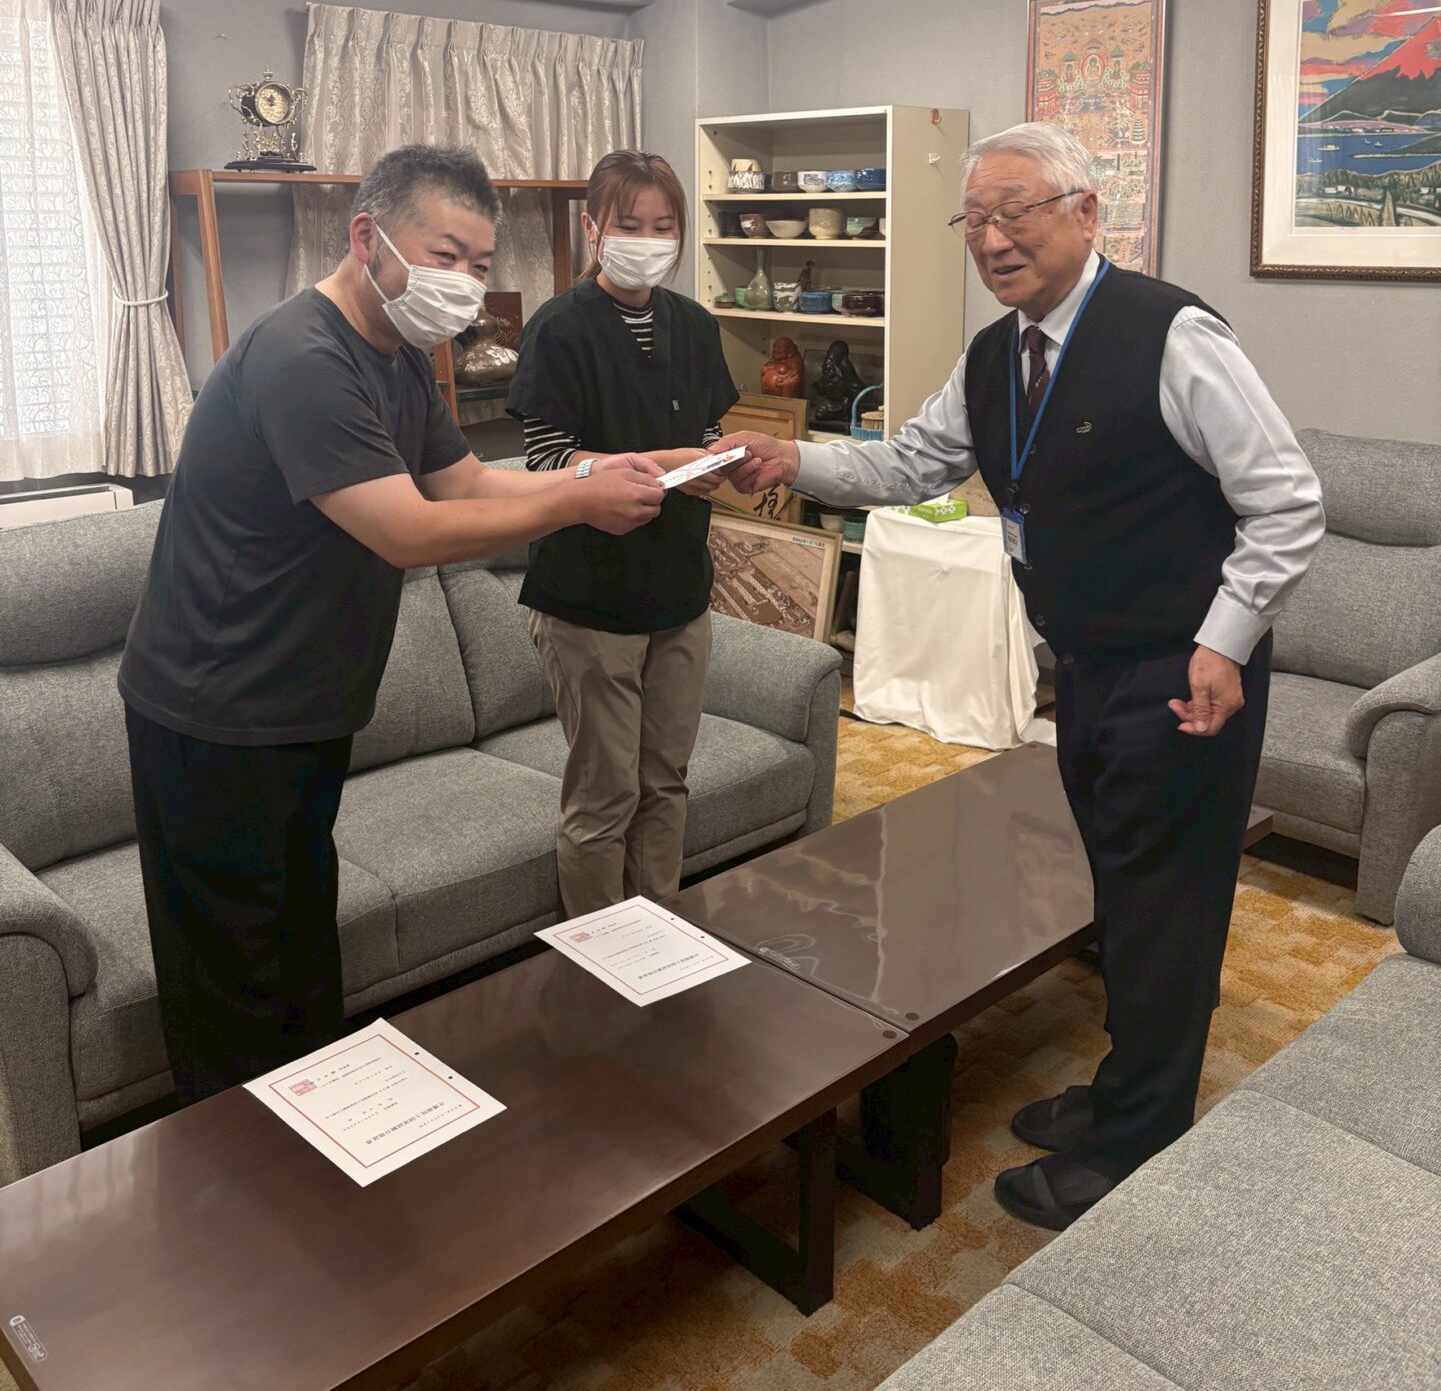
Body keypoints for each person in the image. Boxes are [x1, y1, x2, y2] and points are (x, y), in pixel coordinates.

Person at [716, 122, 1323, 1231]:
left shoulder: (1171, 333)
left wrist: (1224, 641)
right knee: (1120, 888)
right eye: (976, 220)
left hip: (1183, 669)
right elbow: (910, 463)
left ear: (1086, 214)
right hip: (1083, 665)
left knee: (1166, 902)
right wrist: (790, 457)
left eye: (1017, 212)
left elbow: (1285, 500)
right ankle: (1126, 1087)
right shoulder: (997, 355)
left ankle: (1137, 1139)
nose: (994, 239)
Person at [119, 144, 664, 1104]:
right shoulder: (303, 357)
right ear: (368, 236)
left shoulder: (401, 359)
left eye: (480, 264)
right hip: (217, 709)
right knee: (234, 978)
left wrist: (594, 472)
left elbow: (470, 484)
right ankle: (240, 1170)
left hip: (305, 702)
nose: (464, 283)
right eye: (444, 255)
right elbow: (408, 531)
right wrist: (578, 504)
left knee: (297, 942)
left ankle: (316, 1137)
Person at [507, 149, 740, 916]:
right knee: (605, 794)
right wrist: (659, 464)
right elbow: (546, 460)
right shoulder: (559, 329)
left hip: (678, 589)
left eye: (662, 225)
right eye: (629, 224)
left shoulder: (693, 326)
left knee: (665, 781)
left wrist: (714, 462)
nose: (647, 240)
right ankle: (598, 958)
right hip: (589, 598)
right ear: (593, 229)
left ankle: (659, 931)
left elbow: (707, 431)